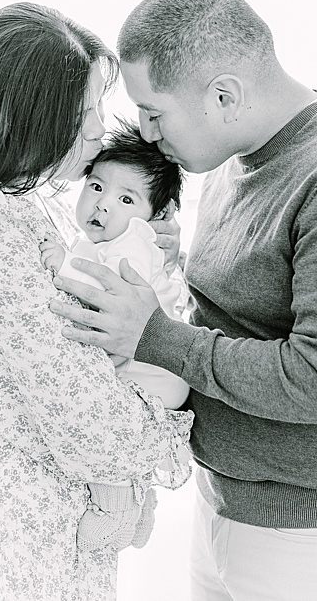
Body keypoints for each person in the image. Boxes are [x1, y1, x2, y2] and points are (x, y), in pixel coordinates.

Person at [48, 0, 317, 601]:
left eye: (154, 112)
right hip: (225, 508)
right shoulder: (229, 160)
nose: (142, 133)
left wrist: (156, 335)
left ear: (223, 95)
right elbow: (245, 313)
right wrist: (170, 274)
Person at [0, 3, 193, 601]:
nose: (99, 132)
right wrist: (166, 426)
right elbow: (76, 408)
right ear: (32, 117)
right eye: (84, 114)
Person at [39, 121, 192, 551]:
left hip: (154, 370)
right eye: (96, 186)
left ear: (153, 217)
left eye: (126, 199)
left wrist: (61, 265)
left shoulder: (136, 242)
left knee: (102, 422)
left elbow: (110, 292)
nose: (103, 205)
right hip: (150, 365)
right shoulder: (104, 239)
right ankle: (138, 506)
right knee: (115, 430)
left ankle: (116, 510)